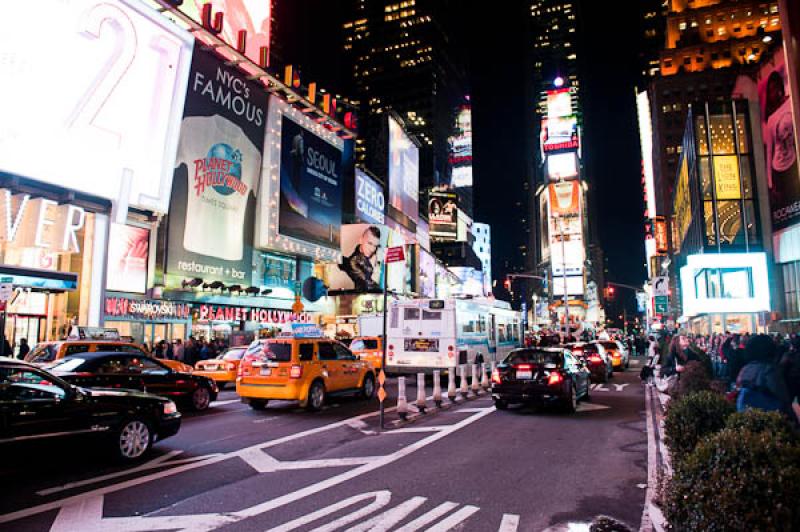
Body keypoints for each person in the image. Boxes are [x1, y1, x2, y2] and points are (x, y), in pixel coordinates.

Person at [736, 334, 792, 416]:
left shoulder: (746, 368)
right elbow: (781, 394)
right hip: (768, 415)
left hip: (745, 412)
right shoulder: (769, 369)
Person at [339, 225, 382, 291]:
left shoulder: (373, 253)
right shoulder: (353, 262)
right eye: (369, 243)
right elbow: (366, 286)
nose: (372, 249)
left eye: (375, 246)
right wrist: (374, 267)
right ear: (361, 240)